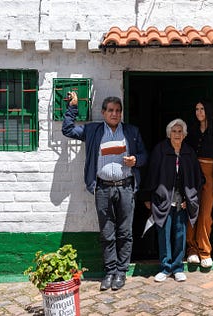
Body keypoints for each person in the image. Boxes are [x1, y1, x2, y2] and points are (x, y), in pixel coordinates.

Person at [62, 92, 148, 291]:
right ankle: (110, 272)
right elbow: (67, 130)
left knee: (125, 232)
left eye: (118, 111)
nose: (115, 114)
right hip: (102, 188)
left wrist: (135, 160)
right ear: (103, 112)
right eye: (111, 110)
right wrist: (73, 106)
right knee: (107, 232)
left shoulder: (131, 131)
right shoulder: (93, 130)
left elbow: (145, 155)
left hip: (126, 187)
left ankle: (121, 272)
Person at [143, 118, 203, 282]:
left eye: (180, 131)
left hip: (181, 201)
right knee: (164, 234)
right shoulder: (160, 150)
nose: (177, 134)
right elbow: (151, 174)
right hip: (163, 199)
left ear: (184, 135)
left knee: (180, 234)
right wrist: (148, 196)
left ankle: (177, 267)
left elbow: (197, 179)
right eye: (174, 131)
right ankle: (165, 267)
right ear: (169, 134)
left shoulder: (189, 152)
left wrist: (189, 198)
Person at [185, 100, 213, 268]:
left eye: (202, 109)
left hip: (210, 174)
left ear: (208, 110)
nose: (199, 112)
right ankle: (192, 250)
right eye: (196, 109)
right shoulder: (192, 130)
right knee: (191, 210)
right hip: (193, 173)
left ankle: (204, 251)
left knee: (205, 214)